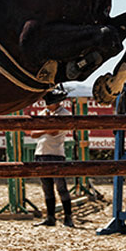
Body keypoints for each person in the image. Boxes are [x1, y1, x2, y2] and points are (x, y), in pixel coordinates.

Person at [30, 87, 74, 227]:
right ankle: (51, 217)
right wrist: (45, 130)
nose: (47, 105)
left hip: (55, 153)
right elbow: (33, 133)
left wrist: (42, 130)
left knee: (61, 187)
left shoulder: (64, 114)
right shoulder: (45, 113)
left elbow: (53, 131)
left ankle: (68, 217)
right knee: (47, 187)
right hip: (42, 152)